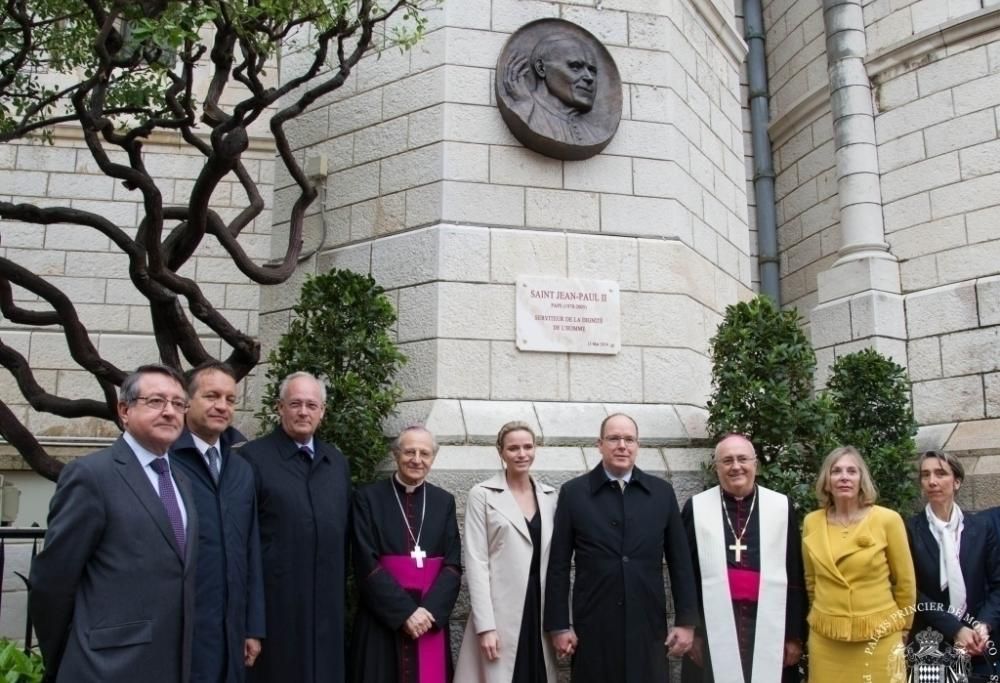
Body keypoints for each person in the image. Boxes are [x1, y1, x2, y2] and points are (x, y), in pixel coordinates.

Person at [29, 364, 198, 683]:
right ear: (124, 410)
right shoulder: (92, 476)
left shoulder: (183, 482)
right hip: (105, 667)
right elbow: (52, 580)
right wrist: (67, 655)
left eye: (178, 404)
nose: (169, 411)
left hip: (172, 663)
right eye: (156, 401)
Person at [543, 413, 698, 683]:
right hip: (594, 626)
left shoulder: (661, 493)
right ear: (599, 444)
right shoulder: (573, 493)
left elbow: (680, 563)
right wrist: (558, 625)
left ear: (638, 445)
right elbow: (557, 565)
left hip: (648, 626)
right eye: (614, 438)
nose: (622, 445)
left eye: (629, 439)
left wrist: (686, 622)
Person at [239, 372, 351, 683]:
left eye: (312, 405)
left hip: (327, 610)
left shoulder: (337, 463)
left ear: (322, 411)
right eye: (296, 404)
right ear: (280, 407)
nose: (304, 412)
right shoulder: (252, 459)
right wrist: (251, 623)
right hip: (277, 611)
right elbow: (242, 542)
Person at [681, 434, 807, 683]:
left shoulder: (780, 506)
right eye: (727, 460)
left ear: (755, 464)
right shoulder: (696, 508)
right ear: (716, 467)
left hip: (769, 624)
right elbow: (687, 575)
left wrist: (793, 635)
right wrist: (692, 630)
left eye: (742, 459)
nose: (735, 466)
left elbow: (794, 572)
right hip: (712, 628)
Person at [169, 361, 265, 682]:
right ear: (187, 401)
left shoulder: (242, 469)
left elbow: (250, 550)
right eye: (212, 396)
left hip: (231, 633)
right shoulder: (165, 462)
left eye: (230, 399)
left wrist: (252, 626)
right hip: (179, 633)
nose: (222, 406)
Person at [350, 425, 463, 683]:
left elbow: (453, 564)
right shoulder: (367, 498)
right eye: (409, 452)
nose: (416, 459)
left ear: (433, 458)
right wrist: (404, 614)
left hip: (429, 619)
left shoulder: (443, 501)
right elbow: (364, 562)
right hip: (381, 620)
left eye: (424, 453)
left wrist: (428, 612)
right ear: (395, 455)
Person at [454, 422, 559, 683]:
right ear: (501, 452)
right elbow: (476, 563)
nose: (521, 454)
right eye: (513, 448)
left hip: (540, 609)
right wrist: (486, 627)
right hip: (500, 612)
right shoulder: (482, 495)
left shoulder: (550, 497)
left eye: (527, 447)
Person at [802, 446, 916, 683]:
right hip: (826, 640)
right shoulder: (812, 522)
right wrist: (828, 613)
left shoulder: (888, 520)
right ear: (827, 480)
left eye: (852, 471)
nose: (844, 477)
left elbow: (905, 582)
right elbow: (811, 580)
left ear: (861, 479)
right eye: (837, 471)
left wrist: (904, 628)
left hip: (880, 639)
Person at [907, 450, 1000, 679]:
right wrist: (955, 629)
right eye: (925, 475)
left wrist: (983, 626)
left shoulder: (981, 527)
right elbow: (910, 590)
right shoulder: (908, 530)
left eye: (940, 473)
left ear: (957, 481)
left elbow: (997, 583)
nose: (932, 481)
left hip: (979, 644)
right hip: (931, 641)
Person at [503, 34, 606, 147]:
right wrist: (523, 105)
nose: (589, 78)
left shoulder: (596, 134)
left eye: (592, 71)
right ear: (541, 68)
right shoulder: (524, 113)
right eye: (575, 67)